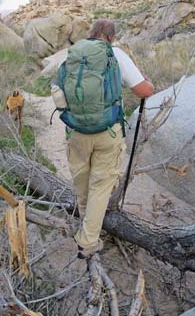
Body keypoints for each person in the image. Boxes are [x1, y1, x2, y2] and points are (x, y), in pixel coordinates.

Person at [57, 19, 154, 259]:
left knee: (82, 182)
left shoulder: (74, 54)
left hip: (76, 131)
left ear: (91, 34)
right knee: (100, 186)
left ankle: (86, 225)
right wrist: (149, 84)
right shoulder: (115, 54)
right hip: (107, 132)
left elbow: (57, 91)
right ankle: (89, 241)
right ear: (111, 37)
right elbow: (143, 91)